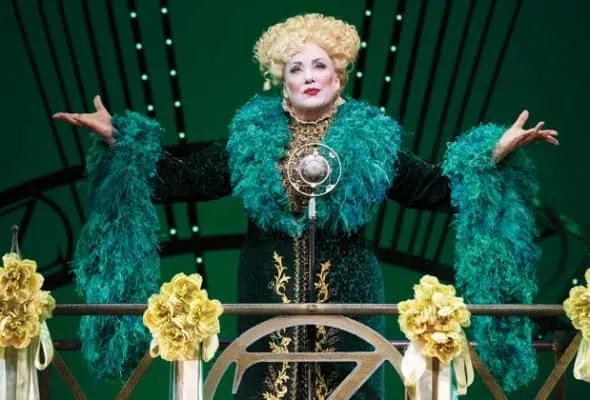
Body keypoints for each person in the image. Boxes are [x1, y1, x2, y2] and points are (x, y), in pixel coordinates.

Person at [54, 13, 558, 399]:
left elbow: (436, 188)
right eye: (297, 68)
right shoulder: (250, 139)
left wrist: (492, 153)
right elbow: (181, 180)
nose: (309, 76)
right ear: (283, 82)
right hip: (265, 295)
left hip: (351, 297)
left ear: (339, 76)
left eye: (320, 66)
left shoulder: (373, 142)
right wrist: (121, 139)